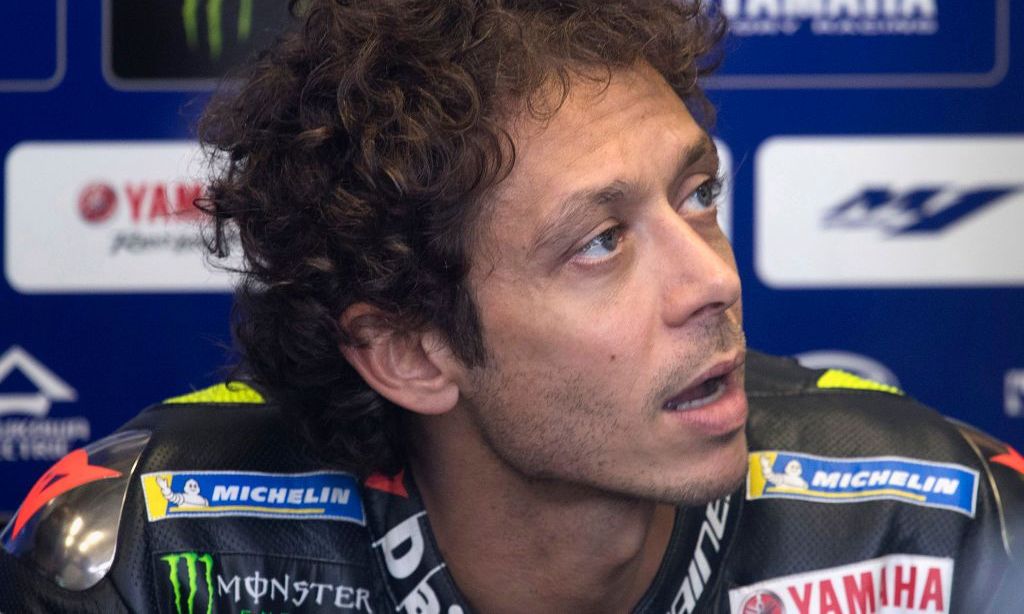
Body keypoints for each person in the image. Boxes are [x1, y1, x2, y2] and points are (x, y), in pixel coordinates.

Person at [2, 1, 1022, 612]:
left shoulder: (941, 533)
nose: (712, 281)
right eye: (600, 242)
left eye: (697, 194)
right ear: (410, 352)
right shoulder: (153, 557)